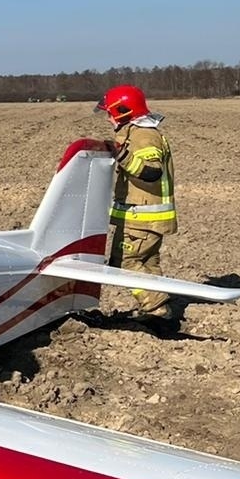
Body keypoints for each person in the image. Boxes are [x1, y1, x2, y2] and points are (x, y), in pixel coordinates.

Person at [96, 84, 177, 318]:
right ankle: (162, 313)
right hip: (150, 219)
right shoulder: (141, 132)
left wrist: (121, 155)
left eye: (109, 113)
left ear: (122, 112)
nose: (108, 119)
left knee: (123, 263)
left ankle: (155, 307)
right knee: (148, 264)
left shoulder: (143, 136)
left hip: (141, 218)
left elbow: (151, 171)